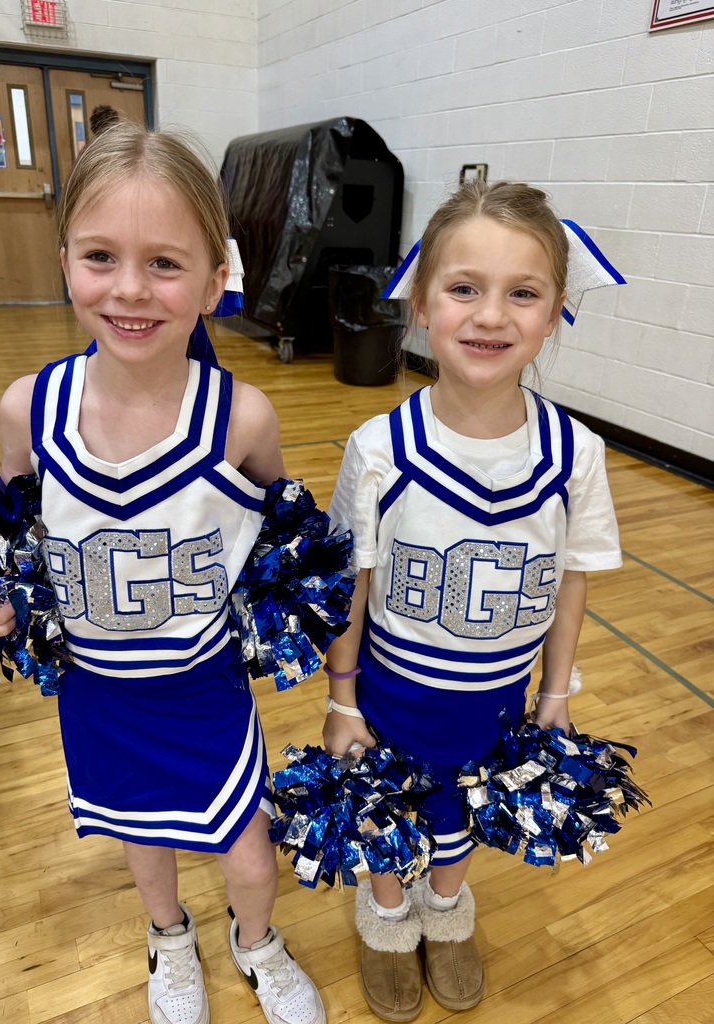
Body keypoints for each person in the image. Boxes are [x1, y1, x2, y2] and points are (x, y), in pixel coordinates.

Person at [0, 122, 326, 1024]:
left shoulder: (241, 417)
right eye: (101, 256)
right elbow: (0, 536)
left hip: (206, 691)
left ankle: (256, 941)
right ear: (65, 258)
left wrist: (298, 627)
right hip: (99, 692)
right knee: (140, 837)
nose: (129, 288)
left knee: (251, 855)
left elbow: (297, 545)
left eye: (164, 262)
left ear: (214, 276)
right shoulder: (27, 409)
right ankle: (168, 939)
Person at [322, 180, 622, 1021]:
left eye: (521, 293)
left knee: (472, 809)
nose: (492, 315)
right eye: (465, 288)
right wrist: (341, 700)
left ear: (556, 311)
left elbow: (572, 582)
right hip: (391, 689)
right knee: (386, 809)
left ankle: (447, 913)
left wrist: (556, 695)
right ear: (421, 303)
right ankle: (385, 918)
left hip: (500, 695)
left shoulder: (576, 453)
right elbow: (353, 584)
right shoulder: (379, 448)